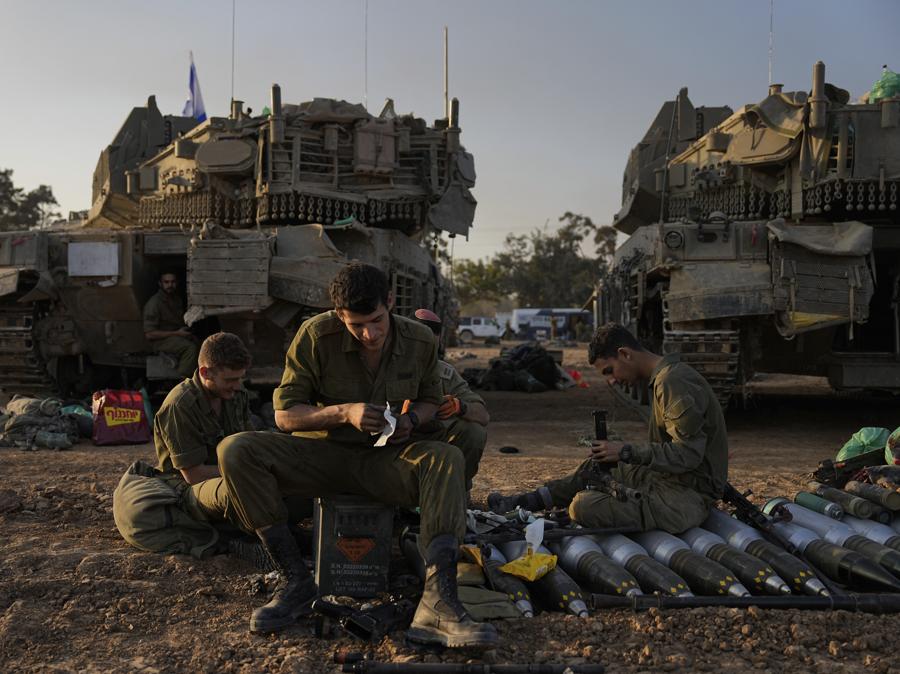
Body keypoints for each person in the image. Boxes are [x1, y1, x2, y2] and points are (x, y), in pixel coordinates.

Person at [204, 263, 498, 646]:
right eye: (355, 325)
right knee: (236, 449)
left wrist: (411, 419)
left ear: (390, 302)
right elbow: (284, 415)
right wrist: (344, 412)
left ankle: (438, 603)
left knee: (445, 458)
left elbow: (430, 399)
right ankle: (296, 583)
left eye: (376, 320)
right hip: (323, 457)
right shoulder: (315, 335)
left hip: (384, 462)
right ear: (338, 314)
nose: (369, 334)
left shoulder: (420, 340)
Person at [488, 322, 728, 534]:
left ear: (624, 354)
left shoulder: (672, 382)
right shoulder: (664, 379)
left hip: (686, 497)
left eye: (609, 371)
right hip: (667, 479)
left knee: (583, 506)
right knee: (597, 466)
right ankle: (527, 502)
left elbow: (688, 455)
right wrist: (615, 453)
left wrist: (626, 451)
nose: (612, 380)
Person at [413, 308, 490, 491]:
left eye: (430, 340)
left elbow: (483, 416)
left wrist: (459, 407)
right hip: (395, 440)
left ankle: (453, 491)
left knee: (474, 432)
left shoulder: (445, 373)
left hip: (433, 438)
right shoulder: (389, 367)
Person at [143, 269, 198, 379]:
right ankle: (183, 381)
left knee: (201, 343)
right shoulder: (154, 303)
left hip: (175, 336)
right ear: (160, 284)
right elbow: (149, 334)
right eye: (166, 282)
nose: (170, 285)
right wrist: (177, 333)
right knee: (190, 348)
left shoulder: (176, 300)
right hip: (159, 341)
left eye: (173, 282)